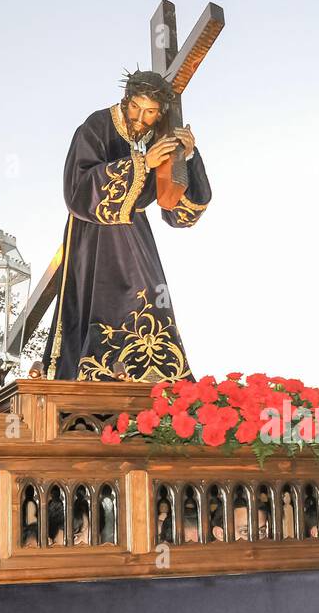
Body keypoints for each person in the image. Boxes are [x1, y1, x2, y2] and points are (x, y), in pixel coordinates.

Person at [42, 70, 212, 383]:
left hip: (135, 235)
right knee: (101, 303)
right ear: (126, 100)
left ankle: (153, 374)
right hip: (94, 235)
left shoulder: (161, 139)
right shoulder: (97, 126)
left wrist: (186, 157)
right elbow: (77, 191)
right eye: (135, 107)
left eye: (149, 112)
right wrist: (142, 164)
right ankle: (97, 374)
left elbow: (178, 215)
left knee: (147, 295)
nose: (140, 117)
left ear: (160, 112)